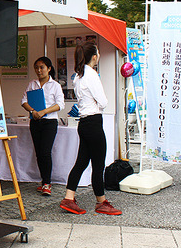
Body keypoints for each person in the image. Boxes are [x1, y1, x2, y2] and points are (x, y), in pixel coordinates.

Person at [60, 41, 122, 215]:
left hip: (84, 122)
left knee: (81, 162)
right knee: (98, 163)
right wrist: (99, 104)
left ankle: (69, 197)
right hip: (94, 122)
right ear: (94, 56)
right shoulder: (92, 74)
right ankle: (101, 201)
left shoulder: (78, 75)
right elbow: (103, 101)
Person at [21, 56, 64, 196]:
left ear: (49, 69)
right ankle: (43, 181)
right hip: (35, 121)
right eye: (36, 68)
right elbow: (23, 101)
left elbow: (60, 104)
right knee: (39, 153)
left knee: (45, 151)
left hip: (49, 122)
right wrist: (33, 111)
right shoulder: (32, 84)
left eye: (42, 67)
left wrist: (44, 111)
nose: (39, 70)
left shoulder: (55, 85)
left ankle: (47, 182)